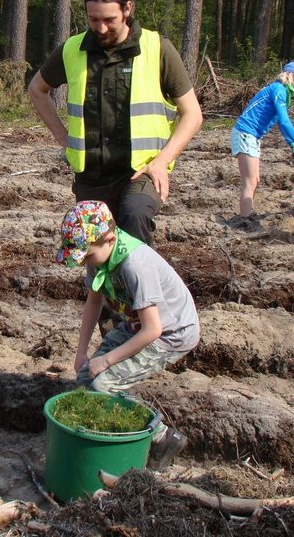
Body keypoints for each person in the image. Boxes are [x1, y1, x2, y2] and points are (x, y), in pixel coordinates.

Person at [28, 0, 202, 248]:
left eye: (109, 19)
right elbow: (37, 89)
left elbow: (192, 114)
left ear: (128, 9)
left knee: (134, 217)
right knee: (95, 249)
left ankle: (141, 290)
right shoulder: (72, 50)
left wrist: (161, 161)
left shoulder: (158, 49)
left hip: (141, 171)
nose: (101, 27)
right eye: (94, 19)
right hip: (92, 174)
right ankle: (100, 292)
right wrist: (64, 138)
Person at [55, 200, 200, 471]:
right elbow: (93, 302)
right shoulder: (97, 254)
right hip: (138, 325)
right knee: (86, 377)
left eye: (86, 257)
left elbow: (153, 329)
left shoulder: (135, 264)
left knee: (103, 385)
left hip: (171, 332)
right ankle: (104, 435)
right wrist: (81, 352)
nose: (84, 262)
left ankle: (163, 437)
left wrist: (108, 361)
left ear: (110, 239)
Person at [230, 62, 294, 217]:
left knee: (255, 181)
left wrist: (292, 144)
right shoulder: (278, 90)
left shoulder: (281, 93)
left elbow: (280, 122)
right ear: (290, 75)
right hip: (246, 133)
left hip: (252, 136)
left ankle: (246, 216)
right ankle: (244, 221)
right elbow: (285, 120)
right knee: (250, 182)